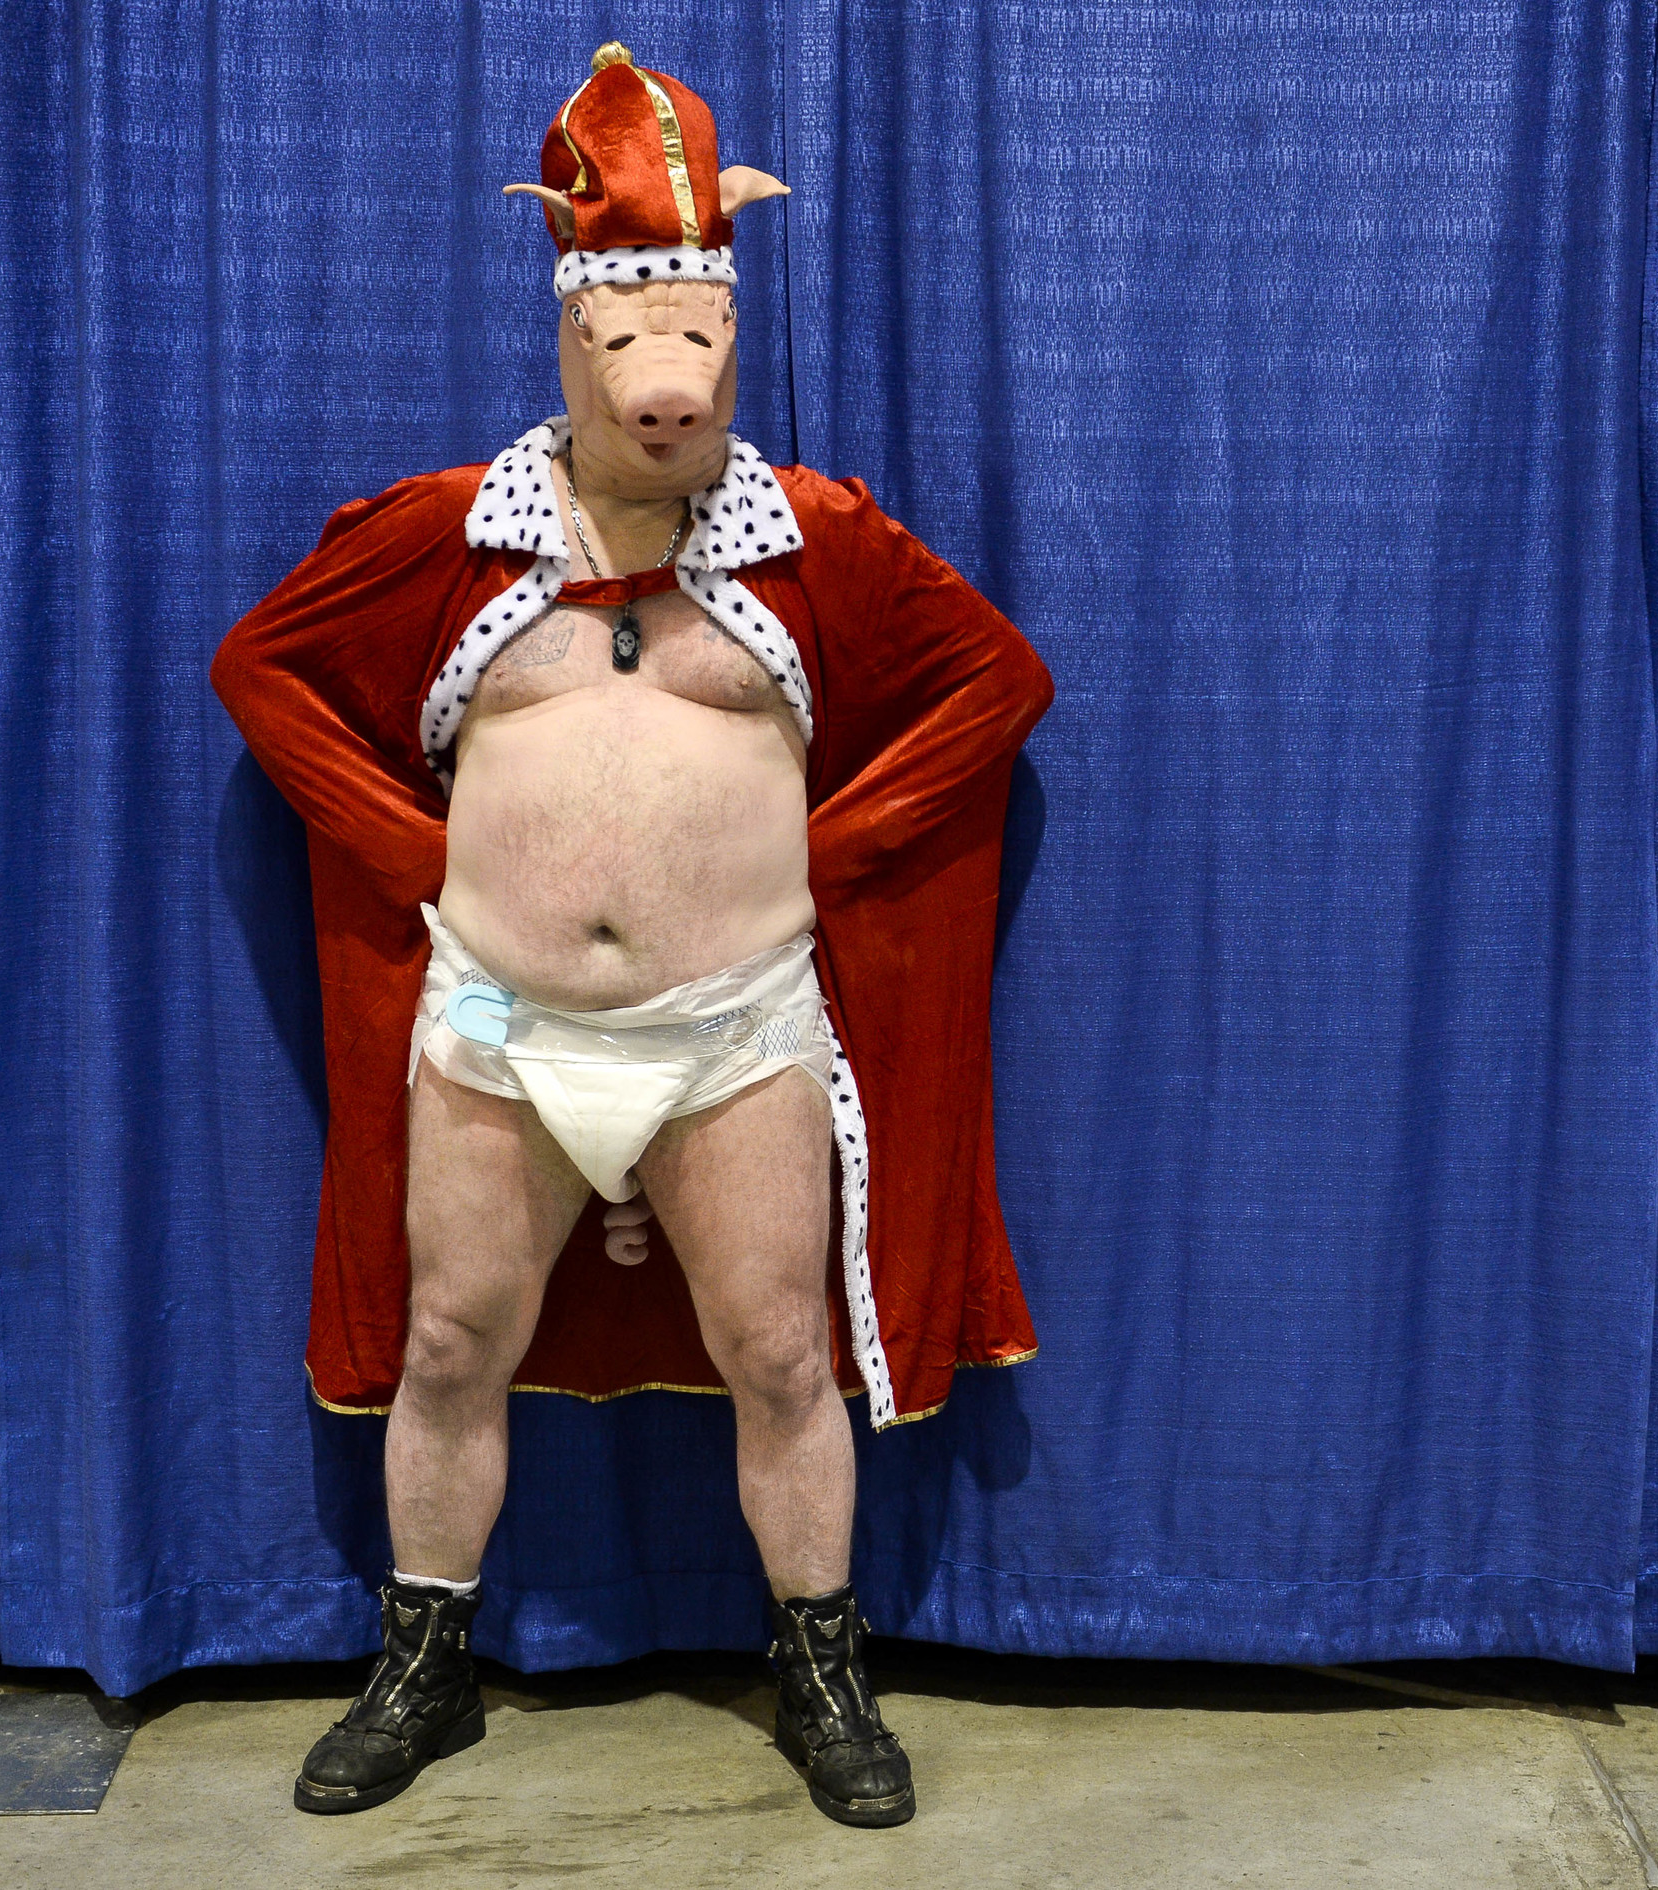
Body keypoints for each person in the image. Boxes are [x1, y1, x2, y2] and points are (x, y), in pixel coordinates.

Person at [210, 45, 1051, 1828]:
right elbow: (259, 671)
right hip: (498, 1022)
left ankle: (819, 1666)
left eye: (697, 344)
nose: (666, 389)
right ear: (575, 341)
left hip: (737, 1022)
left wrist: (837, 846)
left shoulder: (817, 538)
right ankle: (423, 1661)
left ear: (729, 340)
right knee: (451, 1338)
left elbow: (999, 682)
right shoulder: (449, 533)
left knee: (776, 1348)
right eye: (627, 346)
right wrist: (402, 844)